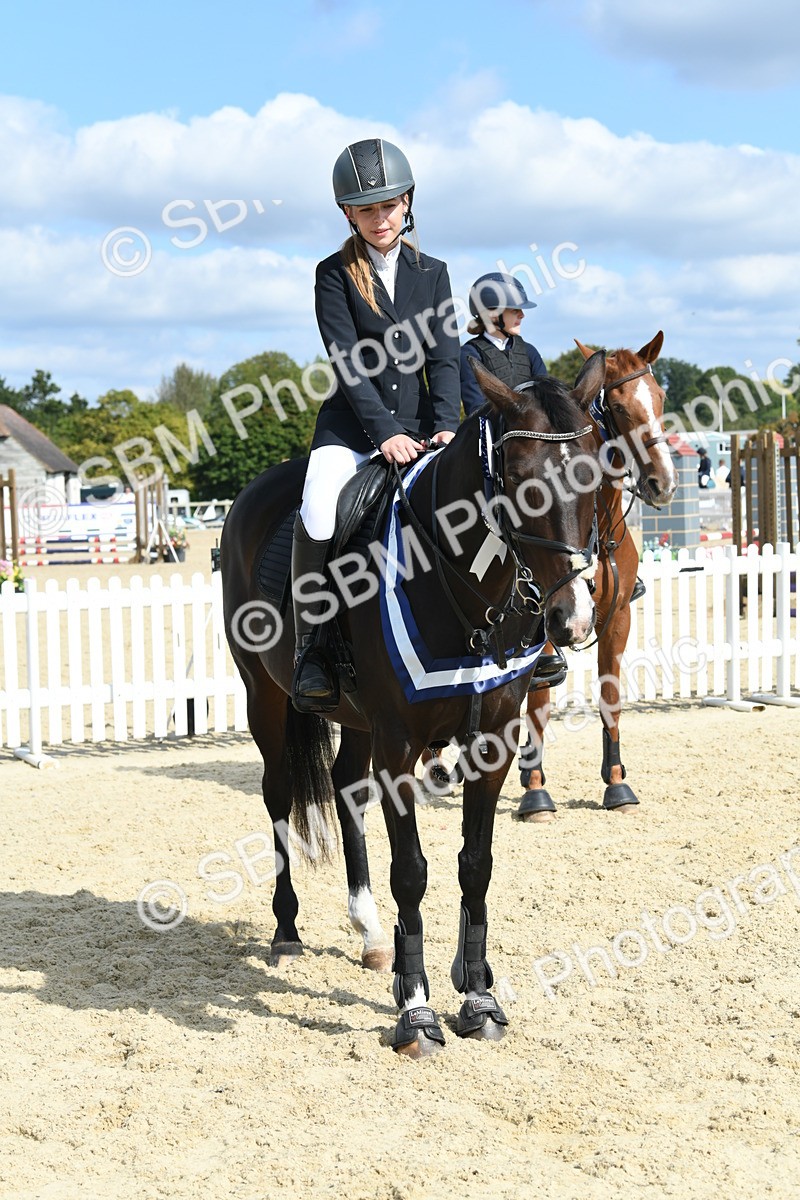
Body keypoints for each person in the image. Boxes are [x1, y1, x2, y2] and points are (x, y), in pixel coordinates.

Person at [291, 137, 461, 711]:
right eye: (367, 209)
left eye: (389, 205)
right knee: (318, 508)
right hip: (351, 428)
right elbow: (346, 362)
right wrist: (384, 432)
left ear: (407, 202)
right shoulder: (333, 274)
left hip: (423, 427)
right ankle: (312, 648)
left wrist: (446, 424)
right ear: (348, 212)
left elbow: (444, 358)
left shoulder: (433, 273)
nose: (380, 217)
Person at [460, 272, 546, 415]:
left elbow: (546, 399)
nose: (522, 315)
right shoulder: (469, 354)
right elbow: (476, 409)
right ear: (492, 314)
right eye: (515, 310)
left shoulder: (530, 351)